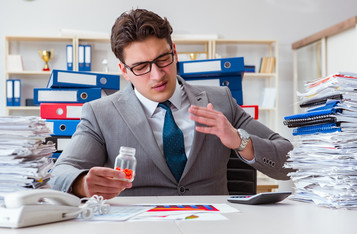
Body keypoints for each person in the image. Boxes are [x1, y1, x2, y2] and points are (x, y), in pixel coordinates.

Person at [49, 8, 293, 199]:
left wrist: (240, 141)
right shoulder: (101, 114)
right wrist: (81, 183)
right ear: (124, 71)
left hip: (214, 228)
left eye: (163, 59)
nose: (157, 75)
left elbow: (289, 163)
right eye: (141, 67)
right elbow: (61, 171)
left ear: (174, 51)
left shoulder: (220, 101)